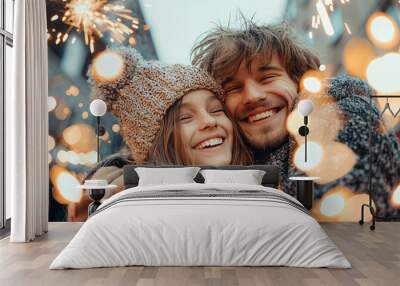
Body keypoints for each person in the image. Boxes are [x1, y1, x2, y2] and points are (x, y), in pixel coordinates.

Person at [191, 20, 400, 218]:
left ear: (299, 81)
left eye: (267, 77)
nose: (253, 96)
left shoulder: (343, 115)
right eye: (234, 88)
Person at [68, 47, 251, 221]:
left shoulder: (260, 183)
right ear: (154, 143)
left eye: (217, 110)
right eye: (185, 117)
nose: (209, 121)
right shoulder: (123, 207)